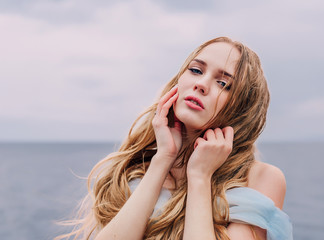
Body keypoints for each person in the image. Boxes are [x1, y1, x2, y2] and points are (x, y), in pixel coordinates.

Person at [56, 37, 293, 240]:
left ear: (243, 108)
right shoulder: (136, 169)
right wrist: (163, 160)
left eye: (223, 83)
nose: (201, 84)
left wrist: (200, 176)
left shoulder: (261, 179)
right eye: (196, 70)